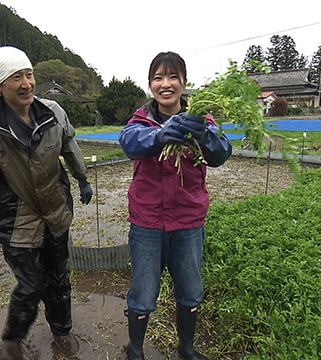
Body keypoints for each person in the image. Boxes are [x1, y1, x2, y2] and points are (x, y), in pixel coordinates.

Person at [0, 46, 93, 360]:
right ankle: (13, 338)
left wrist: (82, 177)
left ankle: (62, 330)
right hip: (16, 219)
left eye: (29, 74)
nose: (26, 83)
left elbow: (69, 143)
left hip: (55, 210)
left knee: (59, 278)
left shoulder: (53, 110)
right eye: (16, 77)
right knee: (30, 285)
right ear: (0, 84)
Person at [118, 52, 232, 360]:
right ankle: (136, 349)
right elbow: (129, 142)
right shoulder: (139, 121)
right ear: (150, 84)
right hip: (148, 224)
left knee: (190, 290)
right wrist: (160, 135)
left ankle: (187, 348)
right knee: (143, 293)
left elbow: (221, 154)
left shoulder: (203, 119)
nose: (165, 84)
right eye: (158, 78)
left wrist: (205, 135)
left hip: (188, 224)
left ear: (183, 82)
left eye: (172, 77)